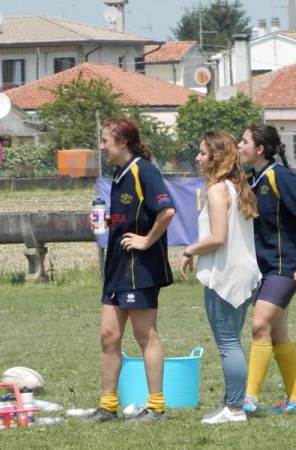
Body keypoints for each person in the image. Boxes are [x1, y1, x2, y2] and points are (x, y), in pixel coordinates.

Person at [88, 117, 176, 423]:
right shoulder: (118, 173)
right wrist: (108, 223)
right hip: (116, 266)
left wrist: (146, 240)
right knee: (108, 336)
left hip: (140, 269)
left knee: (145, 335)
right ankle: (107, 406)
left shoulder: (143, 169)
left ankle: (156, 407)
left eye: (105, 141)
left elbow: (166, 211)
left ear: (122, 142)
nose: (101, 146)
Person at [180, 131, 261, 424]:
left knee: (228, 344)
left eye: (202, 153)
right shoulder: (237, 187)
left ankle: (235, 408)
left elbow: (217, 238)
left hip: (227, 276)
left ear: (215, 156)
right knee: (233, 342)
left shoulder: (217, 190)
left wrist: (189, 250)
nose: (198, 158)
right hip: (245, 273)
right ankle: (232, 403)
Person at [237, 124, 296, 414]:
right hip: (264, 268)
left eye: (243, 142)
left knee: (259, 326)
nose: (238, 146)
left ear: (260, 149)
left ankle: (248, 398)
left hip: (285, 267)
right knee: (278, 334)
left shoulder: (280, 177)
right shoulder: (250, 178)